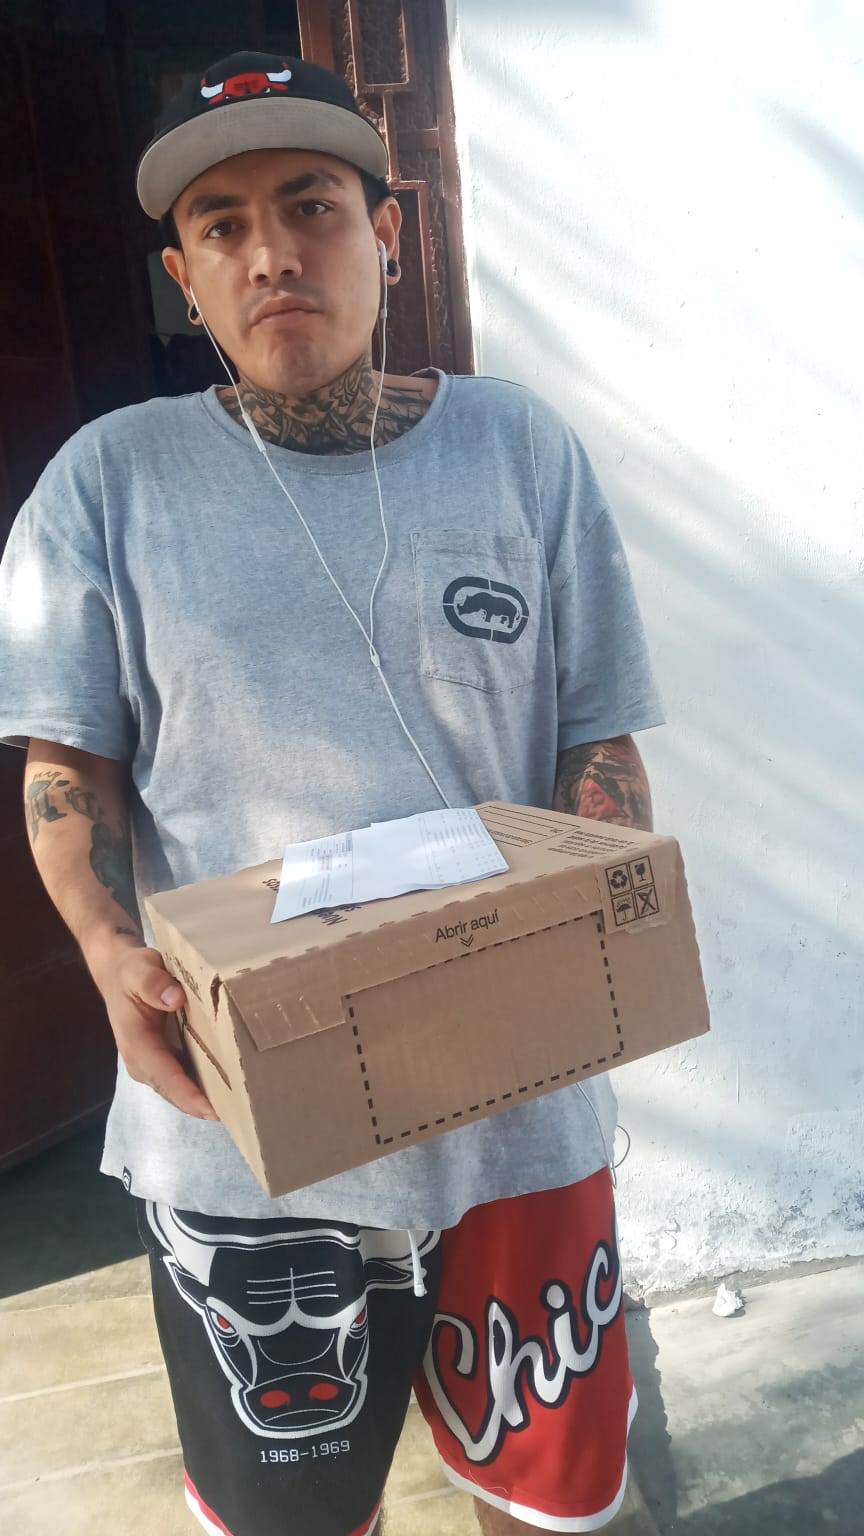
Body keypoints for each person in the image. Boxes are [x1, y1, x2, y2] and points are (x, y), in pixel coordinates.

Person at [0, 50, 663, 1536]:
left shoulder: (521, 451)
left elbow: (600, 741)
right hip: (247, 1142)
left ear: (389, 234)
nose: (272, 254)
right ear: (184, 276)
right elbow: (66, 772)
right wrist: (108, 952)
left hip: (519, 1122)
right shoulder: (109, 483)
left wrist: (591, 920)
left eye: (311, 205)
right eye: (222, 225)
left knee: (546, 1502)